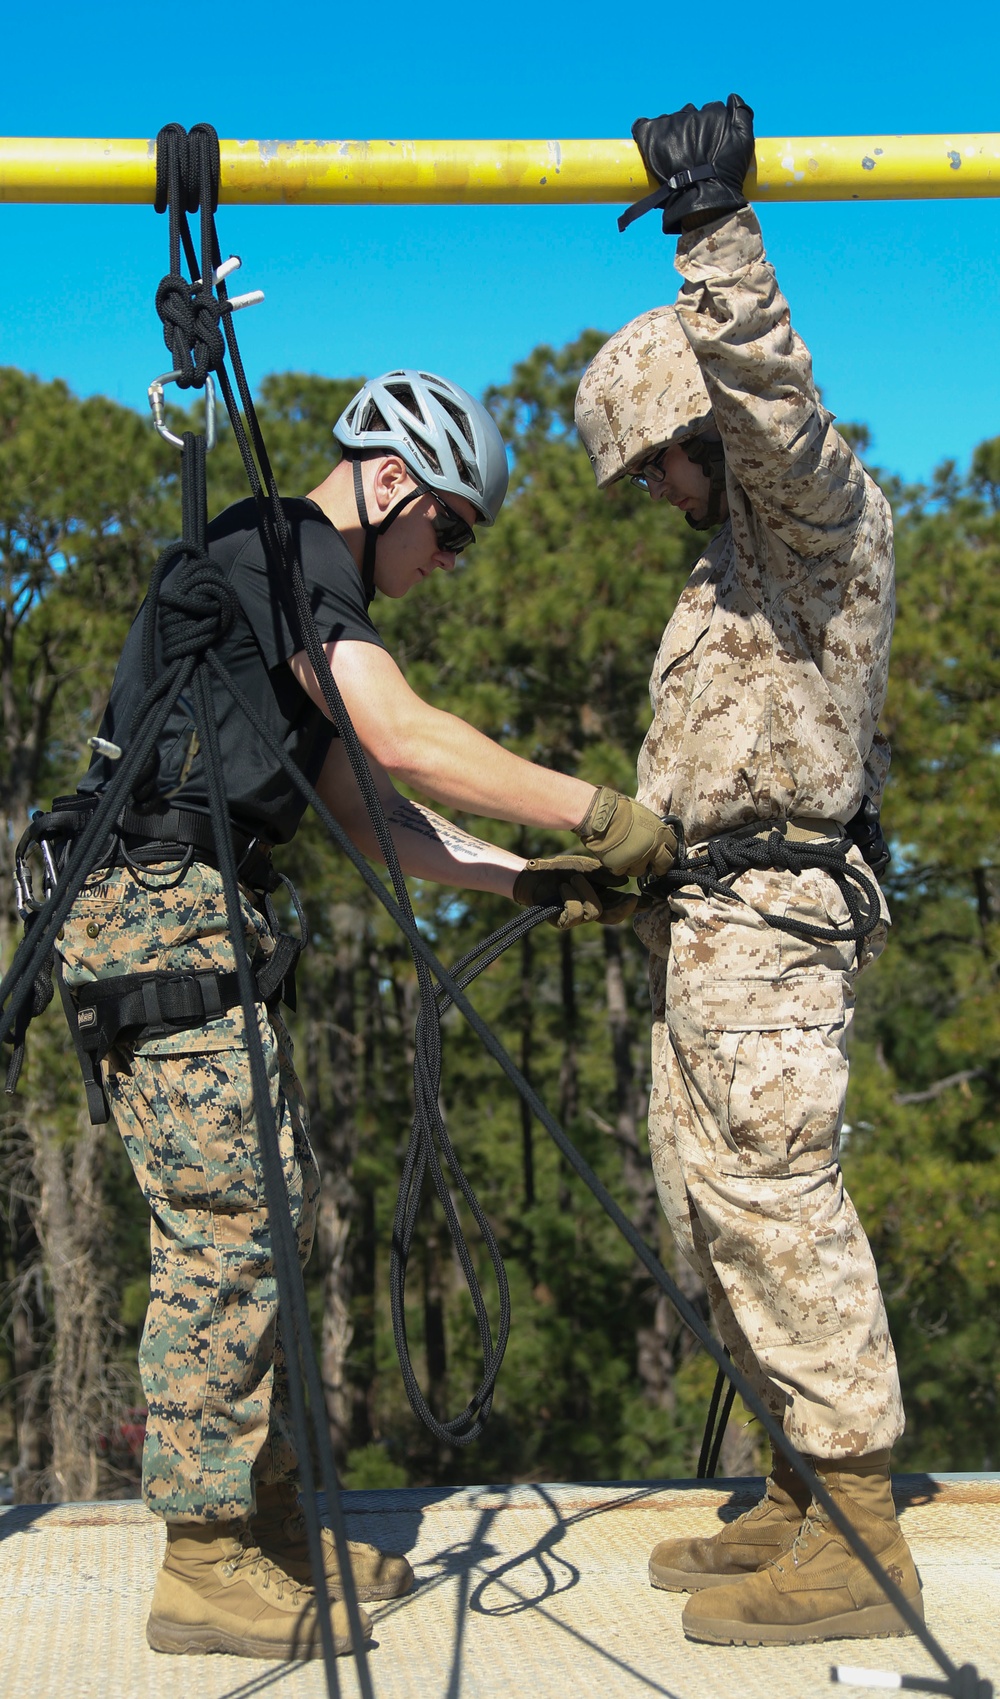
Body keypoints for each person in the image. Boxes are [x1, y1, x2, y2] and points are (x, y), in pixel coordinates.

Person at [55, 368, 676, 1661]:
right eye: (449, 529)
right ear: (389, 481)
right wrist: (597, 812)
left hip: (195, 910)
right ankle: (208, 1562)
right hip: (155, 909)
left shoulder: (286, 595)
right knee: (228, 1221)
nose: (448, 561)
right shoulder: (284, 546)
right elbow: (401, 736)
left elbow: (370, 813)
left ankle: (264, 1516)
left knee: (268, 1206)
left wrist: (528, 876)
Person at [574, 96, 921, 1647]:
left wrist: (718, 235)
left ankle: (859, 1531)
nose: (657, 495)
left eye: (659, 464)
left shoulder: (817, 526)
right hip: (707, 923)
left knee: (778, 1197)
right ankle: (794, 1476)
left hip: (777, 930)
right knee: (707, 1206)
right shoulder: (721, 582)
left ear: (706, 432)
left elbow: (775, 408)